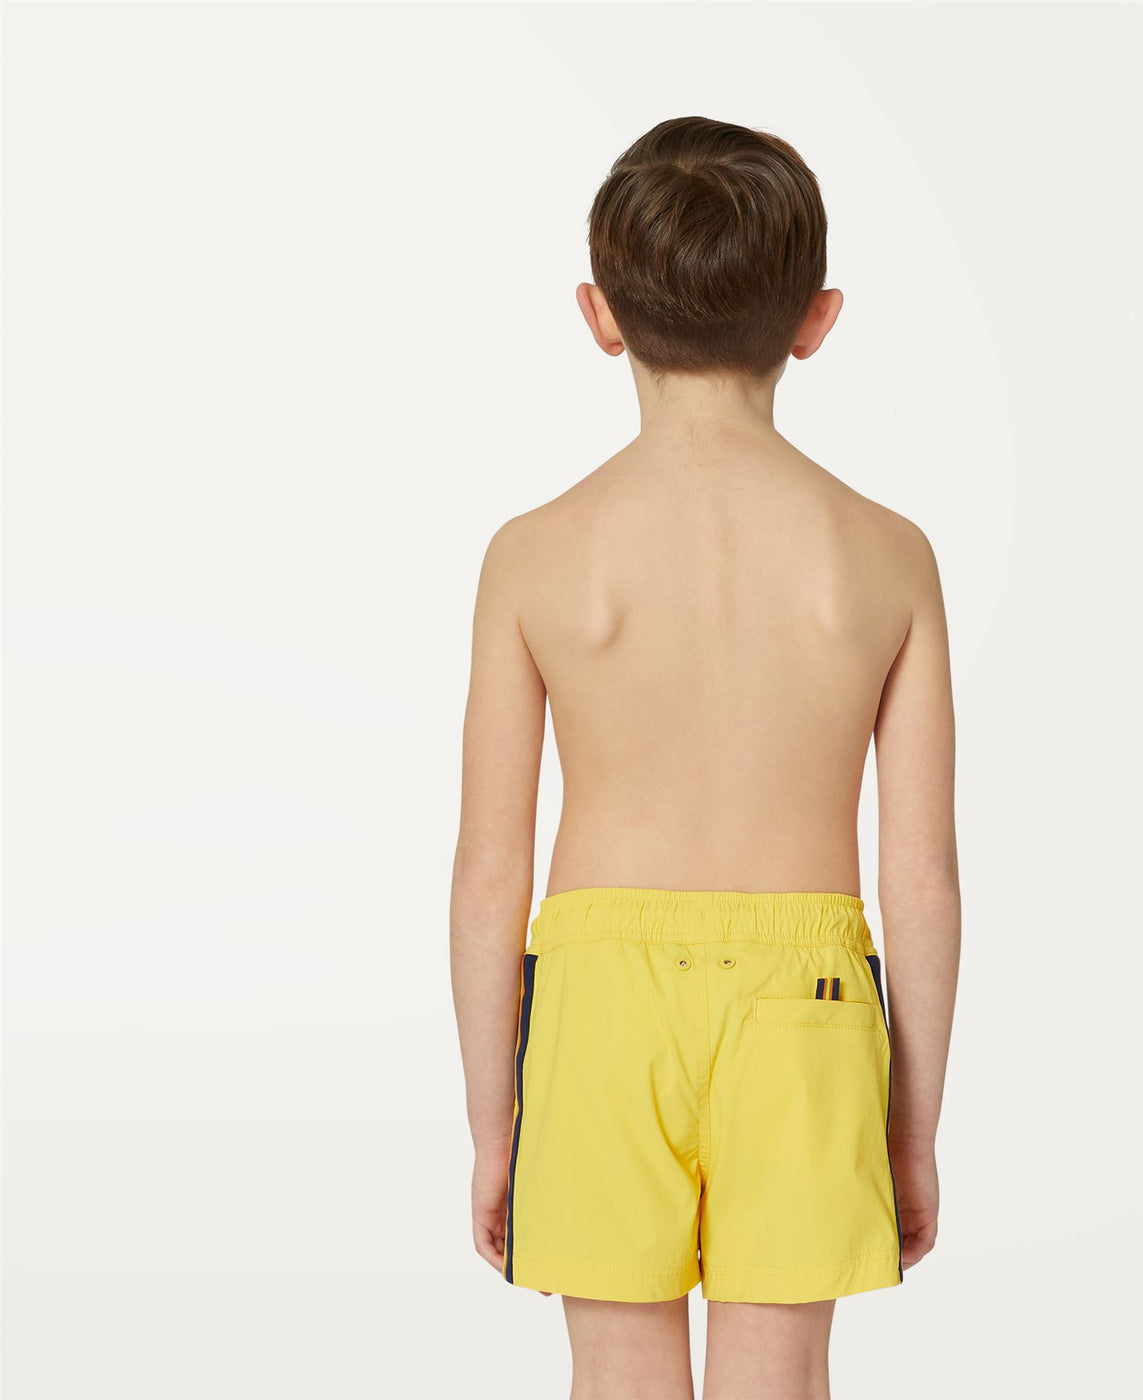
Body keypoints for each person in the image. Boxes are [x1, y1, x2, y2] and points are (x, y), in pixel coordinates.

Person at [450, 115, 960, 1400]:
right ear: (815, 319)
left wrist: (492, 1121)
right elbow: (920, 876)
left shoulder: (535, 554)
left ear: (598, 313)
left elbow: (487, 872)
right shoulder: (885, 556)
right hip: (808, 998)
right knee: (778, 1375)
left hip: (597, 997)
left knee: (616, 1374)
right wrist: (910, 1129)